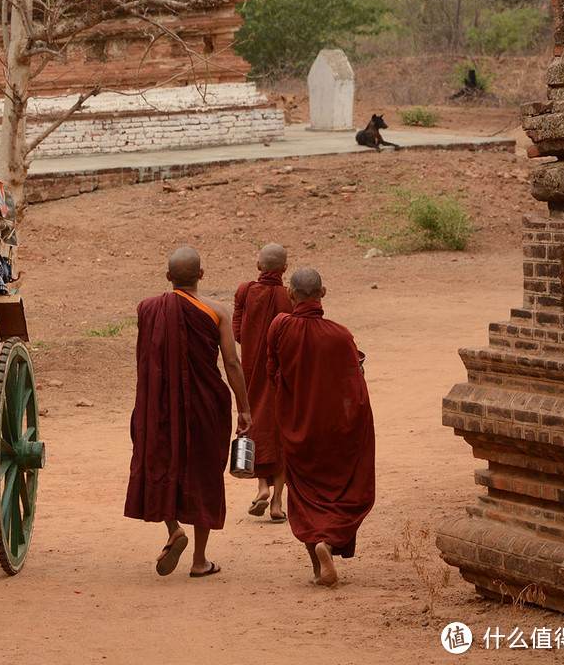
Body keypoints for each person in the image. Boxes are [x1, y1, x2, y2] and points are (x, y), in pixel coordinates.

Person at [124, 247, 254, 578]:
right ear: (201, 275)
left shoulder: (149, 310)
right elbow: (232, 363)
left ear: (169, 278)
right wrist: (245, 408)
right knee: (204, 473)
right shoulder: (216, 311)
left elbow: (147, 361)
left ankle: (173, 530)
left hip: (161, 404)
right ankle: (199, 560)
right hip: (206, 405)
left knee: (159, 460)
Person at [266, 268, 375, 587]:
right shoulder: (341, 335)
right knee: (342, 491)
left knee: (304, 494)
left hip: (298, 425)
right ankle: (328, 544)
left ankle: (317, 562)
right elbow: (356, 386)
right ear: (322, 293)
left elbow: (273, 372)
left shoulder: (280, 326)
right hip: (337, 430)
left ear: (291, 294)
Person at [232, 243, 291, 522]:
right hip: (281, 376)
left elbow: (237, 333)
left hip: (250, 375)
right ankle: (278, 502)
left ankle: (262, 488)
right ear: (285, 269)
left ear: (258, 267)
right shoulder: (289, 296)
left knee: (255, 424)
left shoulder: (244, 291)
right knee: (280, 434)